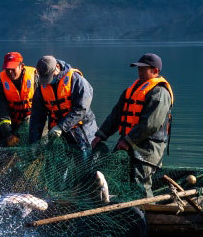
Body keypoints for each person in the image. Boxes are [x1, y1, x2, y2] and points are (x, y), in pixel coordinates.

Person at [91, 53, 172, 196]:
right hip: (127, 143)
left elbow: (150, 124)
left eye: (143, 69)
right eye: (139, 68)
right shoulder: (131, 90)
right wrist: (101, 135)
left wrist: (128, 141)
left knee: (140, 185)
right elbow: (115, 116)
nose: (139, 72)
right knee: (115, 179)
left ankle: (147, 209)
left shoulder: (160, 92)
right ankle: (119, 207)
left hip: (148, 148)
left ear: (155, 71)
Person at [28, 55, 98, 150]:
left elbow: (81, 108)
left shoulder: (76, 79)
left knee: (85, 154)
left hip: (82, 128)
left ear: (57, 67)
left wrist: (61, 127)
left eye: (49, 77)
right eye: (45, 78)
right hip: (57, 132)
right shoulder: (42, 87)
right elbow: (37, 116)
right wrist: (34, 142)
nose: (47, 81)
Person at [0, 51, 38, 147]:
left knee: (24, 135)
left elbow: (44, 107)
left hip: (35, 123)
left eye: (12, 68)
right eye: (7, 69)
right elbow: (3, 116)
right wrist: (8, 135)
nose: (10, 71)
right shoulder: (2, 87)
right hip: (14, 125)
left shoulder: (36, 80)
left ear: (22, 66)